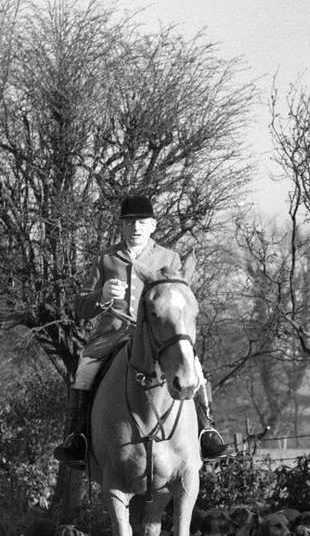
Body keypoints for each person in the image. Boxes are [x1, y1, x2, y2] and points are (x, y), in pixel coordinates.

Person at [53, 194, 226, 467]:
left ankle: (207, 430)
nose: (135, 228)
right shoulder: (106, 259)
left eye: (141, 222)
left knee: (194, 367)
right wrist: (102, 296)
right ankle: (78, 438)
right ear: (121, 227)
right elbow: (81, 308)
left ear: (153, 226)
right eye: (129, 222)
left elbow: (179, 300)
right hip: (112, 336)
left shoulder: (169, 258)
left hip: (157, 338)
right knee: (84, 371)